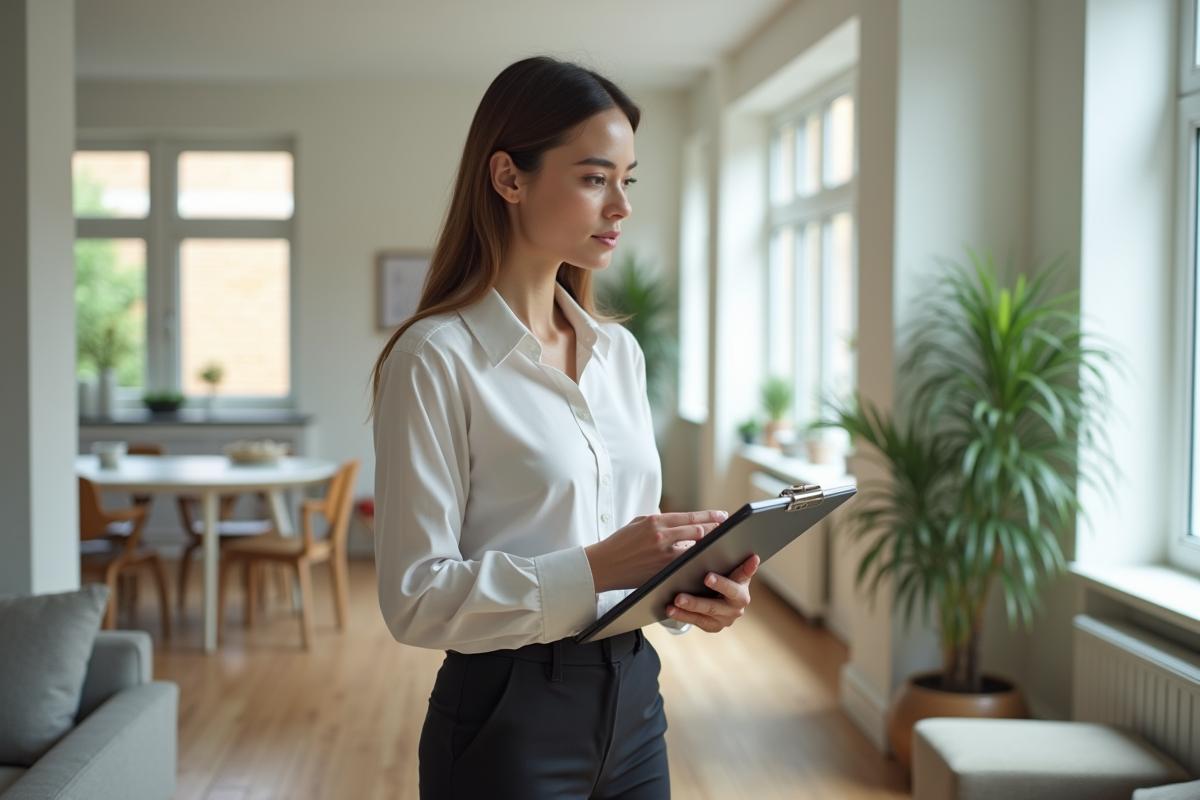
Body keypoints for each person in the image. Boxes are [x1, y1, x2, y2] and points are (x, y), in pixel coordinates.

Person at [371, 56, 760, 800]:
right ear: (509, 178)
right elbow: (415, 598)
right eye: (593, 178)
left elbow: (626, 544)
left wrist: (693, 589)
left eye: (628, 179)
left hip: (636, 699)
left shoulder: (619, 354)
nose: (621, 206)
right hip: (507, 718)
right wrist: (595, 567)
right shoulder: (435, 359)